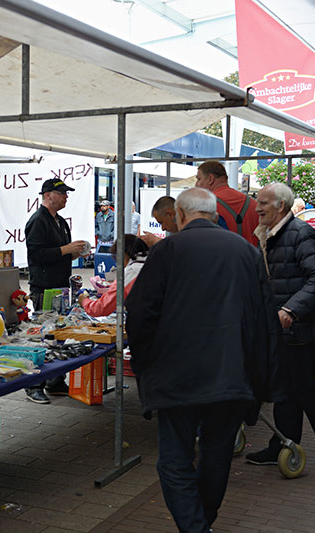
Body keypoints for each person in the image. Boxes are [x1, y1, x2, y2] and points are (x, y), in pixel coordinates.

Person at [125, 188, 279, 532]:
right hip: (232, 375)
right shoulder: (247, 251)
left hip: (178, 376)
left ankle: (196, 527)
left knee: (174, 461)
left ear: (179, 214)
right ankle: (202, 522)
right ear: (213, 214)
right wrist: (263, 377)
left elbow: (139, 313)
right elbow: (265, 319)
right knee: (216, 455)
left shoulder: (166, 250)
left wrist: (147, 364)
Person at [247, 182, 315, 468]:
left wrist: (291, 309)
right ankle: (283, 442)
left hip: (303, 326)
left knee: (302, 388)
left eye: (263, 202)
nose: (257, 207)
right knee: (284, 387)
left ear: (281, 205)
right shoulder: (268, 235)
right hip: (282, 327)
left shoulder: (300, 233)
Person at [24, 177, 87, 404]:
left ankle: (55, 380)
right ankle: (33, 384)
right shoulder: (38, 221)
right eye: (62, 193)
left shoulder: (60, 221)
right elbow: (36, 256)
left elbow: (59, 253)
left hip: (60, 287)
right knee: (43, 337)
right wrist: (65, 249)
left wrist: (74, 253)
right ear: (48, 195)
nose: (66, 197)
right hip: (44, 289)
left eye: (67, 193)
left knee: (58, 335)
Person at [78, 234, 147, 317]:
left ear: (123, 254)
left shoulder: (130, 273)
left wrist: (84, 301)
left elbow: (100, 308)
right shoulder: (153, 262)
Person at [195, 160, 259, 245]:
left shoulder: (206, 206)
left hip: (222, 257)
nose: (196, 184)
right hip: (252, 256)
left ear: (210, 179)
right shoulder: (253, 204)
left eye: (199, 179)